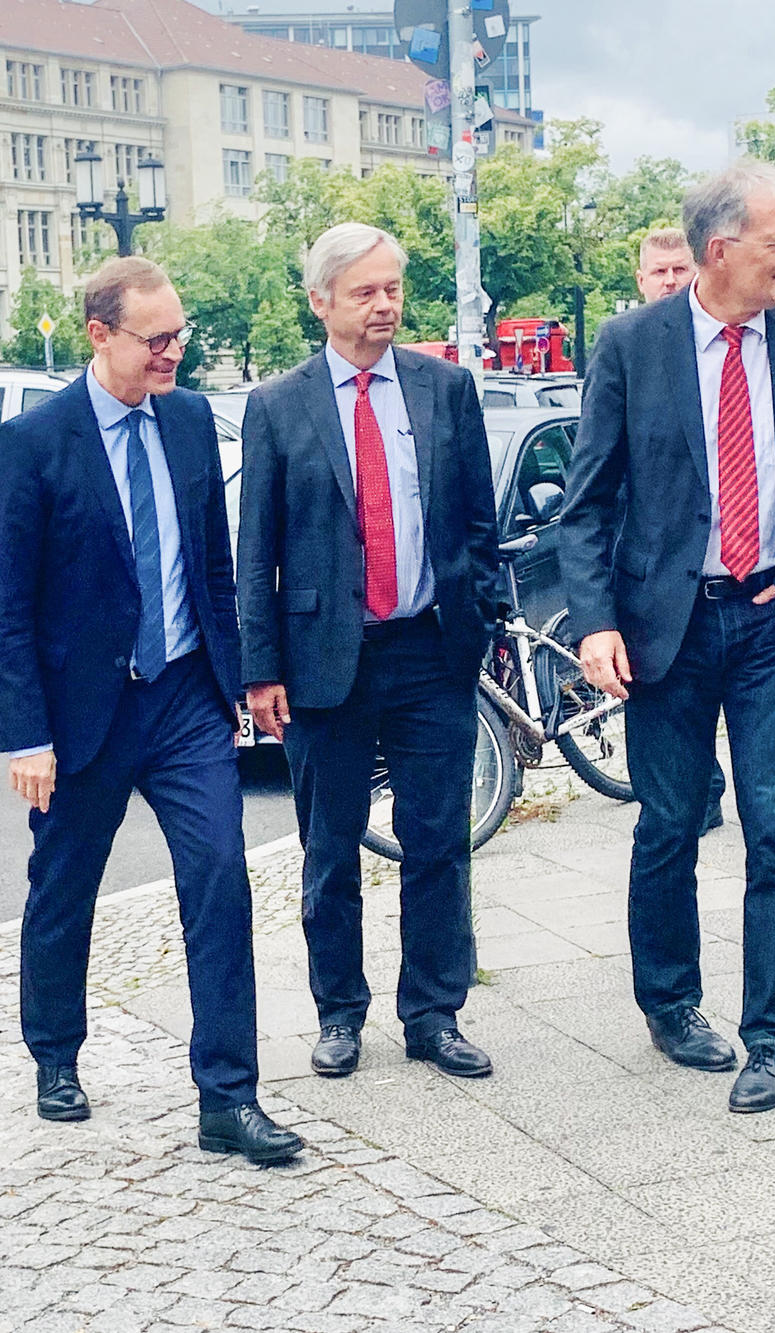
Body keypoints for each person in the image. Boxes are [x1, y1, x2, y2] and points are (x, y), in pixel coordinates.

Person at [558, 163, 775, 1113]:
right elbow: (587, 506)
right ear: (720, 248)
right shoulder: (632, 344)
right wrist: (598, 620)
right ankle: (672, 1002)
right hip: (668, 626)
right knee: (669, 824)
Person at [0, 257, 300, 1166]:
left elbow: (211, 560)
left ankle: (227, 1096)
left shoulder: (193, 420)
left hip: (184, 700)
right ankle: (55, 1054)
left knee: (220, 875)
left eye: (180, 335)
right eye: (156, 339)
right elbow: (4, 603)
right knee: (64, 887)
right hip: (83, 711)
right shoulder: (37, 443)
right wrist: (25, 733)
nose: (174, 353)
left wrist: (244, 678)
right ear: (99, 335)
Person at [239, 223, 507, 1083]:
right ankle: (338, 1011)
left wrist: (487, 622)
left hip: (431, 649)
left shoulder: (445, 390)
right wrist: (260, 668)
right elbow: (255, 550)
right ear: (321, 302)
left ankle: (434, 1010)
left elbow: (476, 522)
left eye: (393, 288)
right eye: (365, 291)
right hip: (324, 659)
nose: (386, 304)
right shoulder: (279, 405)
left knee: (439, 840)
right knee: (330, 845)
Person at [635, 227, 727, 835]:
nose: (669, 281)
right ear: (640, 281)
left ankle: (711, 790)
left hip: (737, 574)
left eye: (678, 270)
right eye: (657, 273)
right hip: (657, 581)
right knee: (665, 818)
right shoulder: (628, 349)